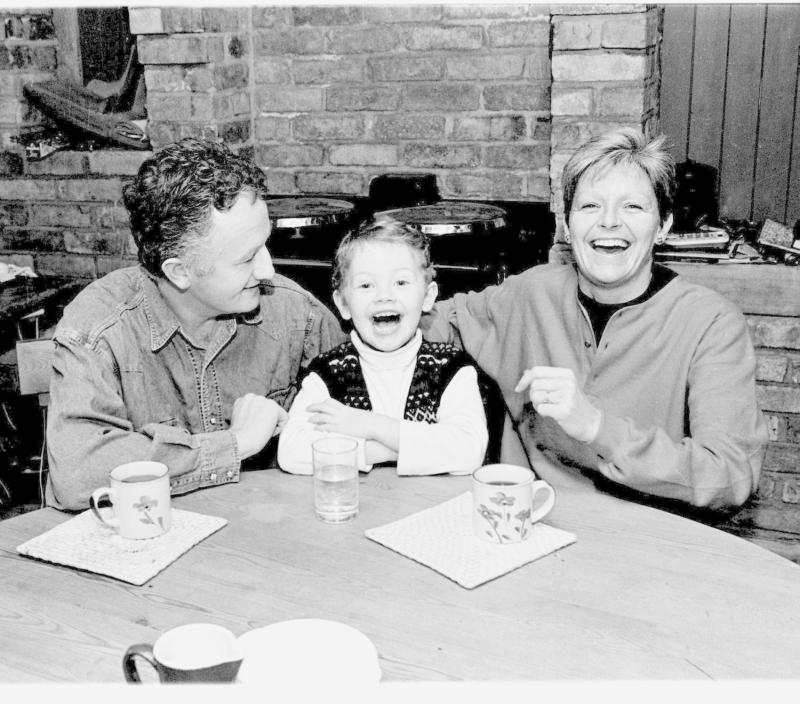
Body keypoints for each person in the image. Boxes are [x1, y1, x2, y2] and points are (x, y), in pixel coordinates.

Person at [422, 127, 767, 512]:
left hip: (654, 544)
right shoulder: (530, 294)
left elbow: (730, 476)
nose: (609, 222)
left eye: (632, 207)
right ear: (568, 226)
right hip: (534, 527)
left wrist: (595, 427)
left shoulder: (710, 324)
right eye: (589, 206)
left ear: (664, 225)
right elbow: (427, 321)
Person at [46, 138, 345, 510]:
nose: (268, 269)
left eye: (265, 245)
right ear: (180, 272)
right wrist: (236, 444)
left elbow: (361, 430)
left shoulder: (298, 315)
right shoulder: (99, 330)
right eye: (247, 258)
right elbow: (77, 475)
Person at [278, 215, 488, 476]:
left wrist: (370, 426)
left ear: (427, 296)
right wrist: (388, 450)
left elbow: (468, 450)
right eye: (366, 285)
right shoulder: (327, 373)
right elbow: (292, 451)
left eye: (400, 283)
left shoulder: (452, 369)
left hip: (430, 508)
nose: (384, 296)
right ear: (343, 304)